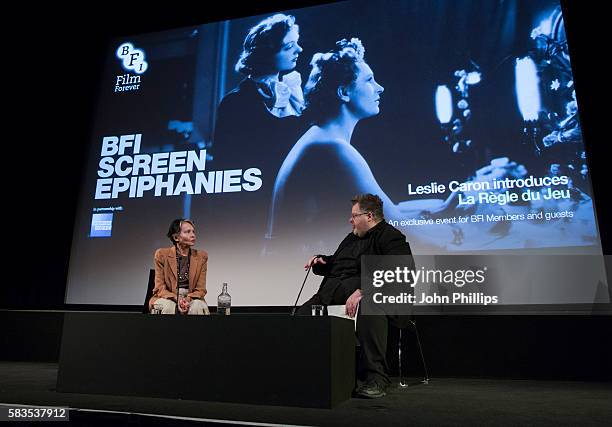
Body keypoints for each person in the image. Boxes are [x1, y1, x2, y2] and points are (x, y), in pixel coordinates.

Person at [265, 38, 411, 255]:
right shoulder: (332, 148)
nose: (380, 88)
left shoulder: (320, 138)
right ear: (343, 92)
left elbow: (392, 213)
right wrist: (456, 234)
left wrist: (443, 208)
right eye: (369, 80)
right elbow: (394, 223)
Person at [297, 194, 413, 399]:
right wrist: (321, 261)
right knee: (302, 315)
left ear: (369, 216)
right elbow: (340, 263)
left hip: (372, 297)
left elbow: (401, 269)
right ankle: (304, 372)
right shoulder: (351, 237)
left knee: (370, 305)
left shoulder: (390, 236)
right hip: (330, 294)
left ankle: (377, 378)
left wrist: (363, 291)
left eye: (354, 216)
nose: (350, 220)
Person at [213, 13, 307, 183]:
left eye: (297, 43)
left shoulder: (294, 92)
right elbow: (227, 167)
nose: (299, 49)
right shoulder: (235, 102)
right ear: (266, 54)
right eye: (289, 46)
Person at [149, 219, 210, 315]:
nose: (193, 235)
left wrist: (187, 299)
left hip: (192, 297)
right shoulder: (161, 255)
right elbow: (159, 287)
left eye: (193, 231)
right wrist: (176, 298)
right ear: (176, 237)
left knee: (197, 306)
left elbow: (200, 289)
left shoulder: (201, 256)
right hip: (167, 296)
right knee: (169, 307)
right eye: (187, 232)